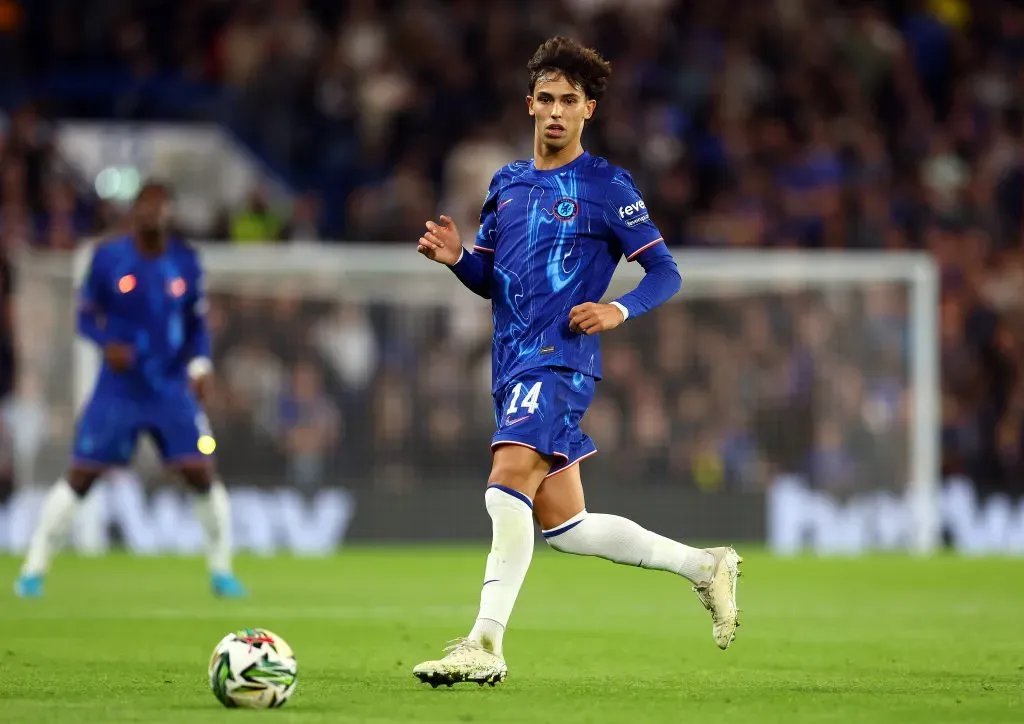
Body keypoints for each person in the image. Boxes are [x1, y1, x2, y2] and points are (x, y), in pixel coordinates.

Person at [412, 37, 742, 687]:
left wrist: (617, 310)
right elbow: (494, 277)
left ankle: (484, 641)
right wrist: (458, 260)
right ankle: (706, 566)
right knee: (565, 526)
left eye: (570, 100)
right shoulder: (506, 184)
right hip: (510, 364)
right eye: (547, 99)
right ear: (530, 105)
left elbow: (665, 272)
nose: (557, 111)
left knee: (506, 477)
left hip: (560, 362)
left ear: (588, 110)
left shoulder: (607, 186)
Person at [13, 181, 246, 599]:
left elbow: (198, 326)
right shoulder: (108, 259)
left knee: (200, 470)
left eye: (161, 208)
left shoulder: (186, 262)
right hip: (118, 388)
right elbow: (85, 318)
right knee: (83, 473)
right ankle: (33, 569)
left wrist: (200, 365)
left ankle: (222, 570)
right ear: (135, 212)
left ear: (169, 214)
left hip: (170, 385)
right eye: (146, 207)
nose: (153, 215)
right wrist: (107, 344)